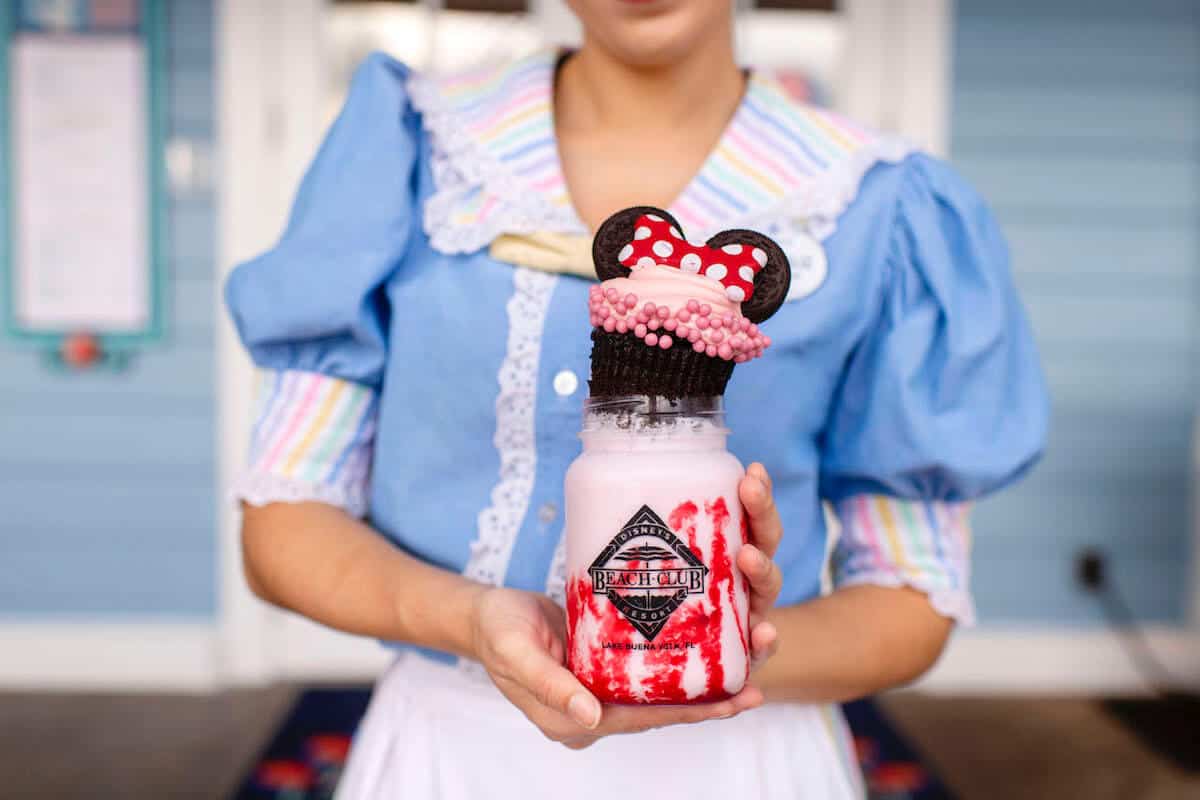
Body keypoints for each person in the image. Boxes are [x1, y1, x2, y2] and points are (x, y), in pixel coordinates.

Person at [224, 1, 1048, 797]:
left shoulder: (877, 204)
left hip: (743, 762)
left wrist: (729, 642)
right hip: (448, 754)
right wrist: (473, 618)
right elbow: (281, 527)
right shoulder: (421, 149)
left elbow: (912, 598)